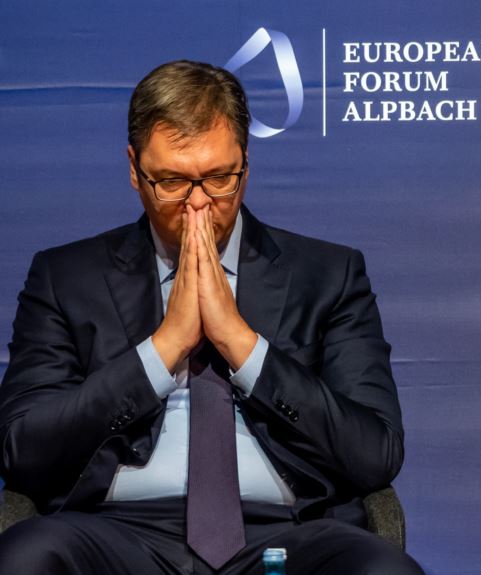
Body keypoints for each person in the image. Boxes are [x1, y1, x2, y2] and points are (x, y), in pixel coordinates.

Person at [0, 60, 423, 575]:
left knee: (383, 569)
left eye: (220, 178)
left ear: (246, 163)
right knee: (27, 557)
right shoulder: (67, 278)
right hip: (115, 531)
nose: (198, 204)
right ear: (134, 169)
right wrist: (162, 350)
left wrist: (242, 344)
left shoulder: (329, 275)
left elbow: (375, 453)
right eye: (173, 182)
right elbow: (23, 451)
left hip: (288, 531)